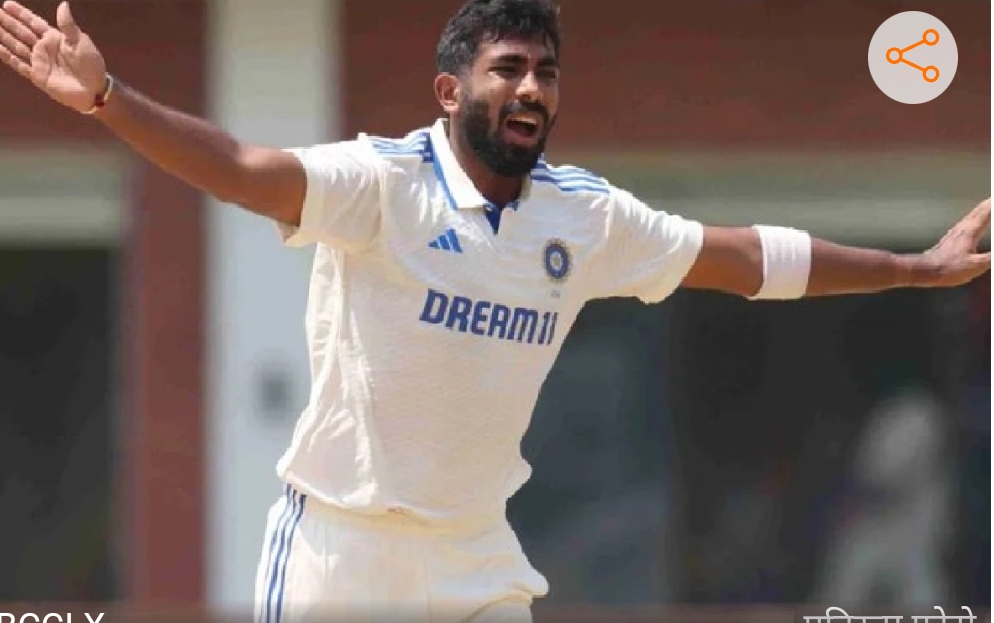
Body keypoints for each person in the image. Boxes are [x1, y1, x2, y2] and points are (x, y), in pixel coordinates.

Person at [0, 0, 988, 621]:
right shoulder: (381, 183)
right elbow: (239, 167)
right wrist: (107, 98)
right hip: (340, 552)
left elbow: (741, 258)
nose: (530, 88)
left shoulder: (584, 216)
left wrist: (913, 267)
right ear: (449, 89)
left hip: (473, 556)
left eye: (545, 73)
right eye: (507, 68)